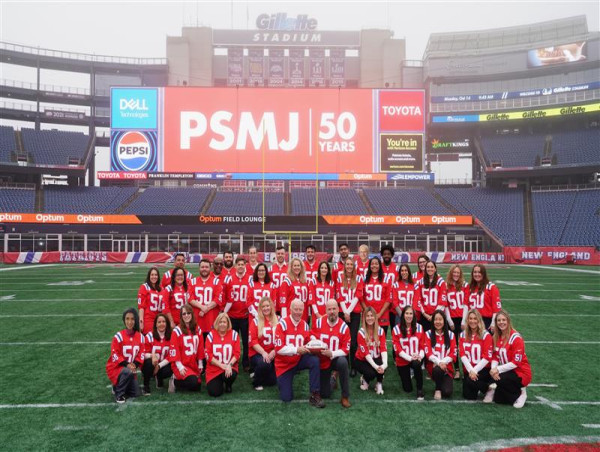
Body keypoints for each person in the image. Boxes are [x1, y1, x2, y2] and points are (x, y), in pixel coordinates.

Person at [274, 299, 325, 407]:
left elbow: (307, 341)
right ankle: (282, 381)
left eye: (300, 309)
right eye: (295, 309)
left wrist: (317, 342)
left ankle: (315, 394)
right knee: (286, 398)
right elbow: (278, 349)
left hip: (298, 360)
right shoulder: (282, 324)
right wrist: (296, 350)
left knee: (314, 360)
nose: (298, 312)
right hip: (285, 365)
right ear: (290, 309)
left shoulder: (305, 325)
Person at [311, 299, 352, 408]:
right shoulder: (319, 322)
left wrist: (332, 353)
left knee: (343, 362)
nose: (332, 311)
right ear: (326, 310)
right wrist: (315, 342)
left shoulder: (344, 327)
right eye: (329, 309)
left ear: (338, 310)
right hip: (323, 360)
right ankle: (333, 379)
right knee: (325, 394)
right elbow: (312, 335)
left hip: (335, 358)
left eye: (334, 308)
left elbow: (345, 350)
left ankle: (345, 396)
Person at [488, 309, 531, 408]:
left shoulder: (516, 338)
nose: (501, 322)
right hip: (507, 371)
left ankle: (521, 392)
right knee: (498, 399)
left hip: (521, 372)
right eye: (499, 320)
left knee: (500, 379)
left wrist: (497, 369)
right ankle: (509, 391)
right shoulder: (496, 337)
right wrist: (493, 369)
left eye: (503, 320)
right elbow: (495, 356)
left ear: (508, 321)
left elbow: (516, 363)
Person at [106, 308, 144, 403]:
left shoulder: (141, 337)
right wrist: (127, 364)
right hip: (117, 368)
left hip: (131, 369)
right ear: (124, 320)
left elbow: (141, 355)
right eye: (127, 319)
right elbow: (115, 355)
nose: (130, 322)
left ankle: (117, 385)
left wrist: (134, 364)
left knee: (136, 393)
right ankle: (119, 394)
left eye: (132, 319)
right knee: (127, 372)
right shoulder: (118, 336)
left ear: (135, 320)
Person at [223, 256, 252, 372]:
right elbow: (224, 295)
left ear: (245, 266)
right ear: (235, 266)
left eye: (242, 265)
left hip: (245, 315)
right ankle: (232, 362)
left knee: (246, 341)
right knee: (231, 341)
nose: (240, 266)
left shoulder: (250, 278)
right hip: (232, 316)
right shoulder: (228, 278)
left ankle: (245, 363)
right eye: (238, 264)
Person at [336, 257, 364, 377]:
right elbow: (339, 294)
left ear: (353, 266)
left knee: (353, 341)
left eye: (351, 264)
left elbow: (358, 295)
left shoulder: (358, 277)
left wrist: (348, 311)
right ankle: (345, 365)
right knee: (343, 339)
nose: (349, 266)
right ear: (344, 265)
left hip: (354, 312)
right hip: (342, 312)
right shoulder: (339, 276)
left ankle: (354, 366)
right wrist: (345, 312)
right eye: (347, 264)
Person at [168, 304, 204, 393]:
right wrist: (180, 367)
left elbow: (200, 347)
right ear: (181, 316)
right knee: (193, 383)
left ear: (192, 314)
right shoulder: (177, 331)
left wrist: (200, 363)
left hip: (192, 364)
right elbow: (174, 350)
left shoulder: (197, 329)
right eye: (184, 314)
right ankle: (174, 381)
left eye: (188, 313)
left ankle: (184, 380)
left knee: (197, 387)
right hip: (181, 364)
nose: (186, 315)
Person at [460, 309, 493, 401]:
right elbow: (462, 355)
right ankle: (481, 386)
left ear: (479, 320)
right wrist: (471, 370)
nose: (472, 321)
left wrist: (474, 370)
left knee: (471, 381)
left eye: (475, 319)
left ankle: (489, 390)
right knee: (469, 396)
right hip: (469, 370)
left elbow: (487, 357)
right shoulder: (463, 334)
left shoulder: (485, 335)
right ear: (467, 320)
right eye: (470, 318)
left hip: (483, 369)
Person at [392, 306, 425, 400]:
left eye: (411, 313)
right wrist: (410, 358)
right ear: (403, 315)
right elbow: (398, 350)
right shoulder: (396, 329)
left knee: (417, 363)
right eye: (407, 313)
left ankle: (420, 389)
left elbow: (423, 346)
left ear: (414, 315)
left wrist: (419, 356)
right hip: (402, 360)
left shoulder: (419, 327)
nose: (409, 316)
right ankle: (409, 375)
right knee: (408, 389)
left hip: (416, 358)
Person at [205, 313, 241, 397]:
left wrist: (229, 365)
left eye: (224, 322)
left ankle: (228, 384)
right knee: (214, 393)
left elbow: (237, 353)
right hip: (214, 368)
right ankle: (219, 382)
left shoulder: (234, 334)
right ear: (217, 323)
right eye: (220, 322)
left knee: (230, 374)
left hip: (229, 367)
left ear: (228, 323)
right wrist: (221, 365)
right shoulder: (211, 335)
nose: (222, 324)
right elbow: (208, 355)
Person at [354, 307, 387, 394]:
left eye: (372, 315)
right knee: (371, 373)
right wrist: (376, 367)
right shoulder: (361, 332)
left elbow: (383, 349)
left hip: (376, 357)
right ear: (364, 318)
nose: (369, 318)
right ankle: (365, 379)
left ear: (375, 317)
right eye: (367, 316)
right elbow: (366, 354)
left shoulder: (380, 331)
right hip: (362, 360)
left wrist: (384, 365)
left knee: (382, 364)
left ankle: (379, 383)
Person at [424, 311, 456, 400]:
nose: (438, 322)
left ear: (444, 321)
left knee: (447, 392)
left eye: (440, 319)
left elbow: (453, 353)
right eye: (435, 319)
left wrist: (443, 362)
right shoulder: (428, 334)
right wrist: (439, 362)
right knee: (438, 369)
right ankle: (437, 389)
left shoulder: (451, 335)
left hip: (447, 369)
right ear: (432, 321)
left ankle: (442, 382)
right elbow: (428, 353)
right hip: (434, 368)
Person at [249, 296, 278, 390]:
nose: (266, 308)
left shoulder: (278, 320)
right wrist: (264, 353)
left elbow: (282, 339)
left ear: (271, 307)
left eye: (267, 306)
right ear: (260, 308)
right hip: (258, 354)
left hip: (274, 353)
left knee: (272, 381)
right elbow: (253, 342)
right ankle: (256, 382)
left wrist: (274, 351)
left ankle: (259, 373)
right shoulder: (255, 321)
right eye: (263, 306)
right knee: (264, 363)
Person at [188, 259, 223, 337]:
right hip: (196, 319)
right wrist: (202, 307)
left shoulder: (216, 282)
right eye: (202, 267)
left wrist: (205, 309)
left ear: (210, 268)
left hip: (211, 320)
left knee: (210, 346)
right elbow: (190, 298)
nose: (204, 269)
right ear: (199, 268)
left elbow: (217, 299)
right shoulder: (192, 281)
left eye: (206, 267)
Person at [446, 264, 469, 379]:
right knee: (454, 346)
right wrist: (450, 321)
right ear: (451, 273)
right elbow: (445, 305)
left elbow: (466, 303)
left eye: (458, 273)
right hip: (452, 319)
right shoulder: (446, 286)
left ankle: (467, 369)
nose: (456, 274)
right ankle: (456, 370)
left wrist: (464, 321)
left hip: (463, 319)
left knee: (466, 345)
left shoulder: (465, 285)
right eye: (454, 272)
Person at [141, 313, 173, 395]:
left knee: (173, 366)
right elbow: (141, 354)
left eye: (164, 321)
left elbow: (172, 355)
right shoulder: (149, 336)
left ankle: (159, 377)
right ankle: (146, 385)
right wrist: (152, 356)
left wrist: (159, 366)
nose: (162, 324)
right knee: (147, 362)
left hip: (163, 365)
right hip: (152, 364)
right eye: (159, 322)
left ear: (167, 323)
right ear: (155, 324)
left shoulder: (172, 336)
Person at [414, 261, 447, 332]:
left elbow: (443, 299)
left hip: (438, 316)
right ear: (425, 269)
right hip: (424, 316)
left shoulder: (440, 281)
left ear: (435, 268)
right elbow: (418, 299)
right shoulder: (420, 282)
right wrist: (424, 313)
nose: (430, 269)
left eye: (432, 267)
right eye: (428, 267)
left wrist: (434, 315)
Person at [468, 264, 502, 332]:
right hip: (473, 321)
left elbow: (497, 308)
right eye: (475, 272)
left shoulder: (491, 287)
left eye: (479, 272)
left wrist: (493, 323)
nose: (477, 274)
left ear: (484, 273)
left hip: (487, 322)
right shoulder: (470, 288)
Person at [363, 257, 391, 334]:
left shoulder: (386, 279)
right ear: (369, 266)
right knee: (367, 340)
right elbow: (361, 298)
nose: (374, 266)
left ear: (380, 265)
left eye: (376, 263)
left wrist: (379, 314)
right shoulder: (365, 280)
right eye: (372, 264)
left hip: (382, 315)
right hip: (368, 315)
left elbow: (388, 299)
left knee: (381, 340)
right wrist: (367, 312)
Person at [137, 267, 165, 334]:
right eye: (152, 275)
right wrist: (141, 321)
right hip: (148, 320)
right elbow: (141, 307)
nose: (154, 277)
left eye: (156, 275)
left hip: (159, 320)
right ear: (149, 276)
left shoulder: (161, 288)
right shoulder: (144, 287)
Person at [380, 244, 399, 329]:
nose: (386, 255)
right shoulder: (378, 267)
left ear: (391, 255)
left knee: (395, 328)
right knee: (381, 330)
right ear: (382, 255)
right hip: (382, 303)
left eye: (388, 254)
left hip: (393, 305)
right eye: (385, 254)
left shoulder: (396, 268)